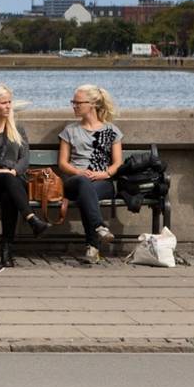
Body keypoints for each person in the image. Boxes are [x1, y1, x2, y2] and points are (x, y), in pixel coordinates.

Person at [0, 84, 50, 266]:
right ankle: (31, 219)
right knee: (6, 182)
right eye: (3, 102)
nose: (8, 106)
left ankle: (7, 252)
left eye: (10, 102)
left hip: (15, 180)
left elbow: (24, 157)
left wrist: (14, 171)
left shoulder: (16, 128)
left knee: (9, 196)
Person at [57, 84, 124, 264]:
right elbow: (62, 163)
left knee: (88, 193)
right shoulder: (70, 130)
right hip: (74, 181)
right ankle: (99, 227)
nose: (74, 106)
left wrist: (104, 173)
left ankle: (92, 247)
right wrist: (79, 171)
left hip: (102, 182)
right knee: (83, 184)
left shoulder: (111, 130)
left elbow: (118, 163)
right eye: (73, 102)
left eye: (78, 102)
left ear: (92, 104)